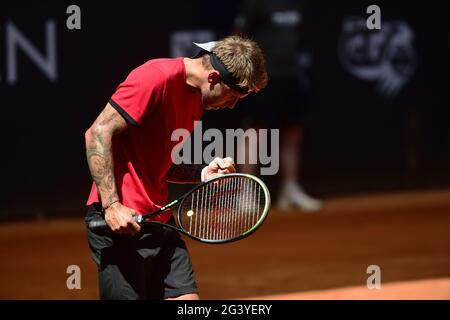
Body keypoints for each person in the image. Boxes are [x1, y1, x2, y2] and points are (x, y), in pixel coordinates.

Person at [84, 35, 268, 300]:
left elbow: (158, 162)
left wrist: (202, 173)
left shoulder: (195, 98)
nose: (231, 106)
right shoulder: (155, 77)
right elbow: (97, 133)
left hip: (159, 222)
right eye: (233, 96)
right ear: (214, 78)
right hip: (121, 224)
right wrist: (112, 205)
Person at [234, 0, 322, 212]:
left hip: (292, 76)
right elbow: (237, 39)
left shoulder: (299, 4)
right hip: (262, 78)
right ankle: (244, 192)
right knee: (255, 132)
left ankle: (290, 189)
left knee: (293, 132)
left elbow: (304, 38)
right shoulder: (255, 4)